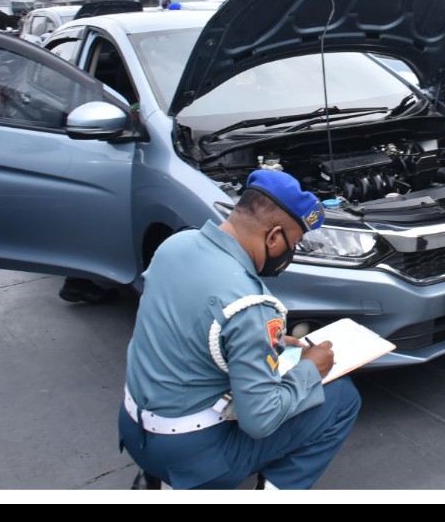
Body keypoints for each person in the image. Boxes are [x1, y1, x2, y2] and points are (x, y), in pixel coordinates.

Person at [118, 169, 361, 489]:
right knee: (342, 397)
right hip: (189, 455)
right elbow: (260, 420)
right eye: (294, 243)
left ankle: (157, 480)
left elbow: (184, 327)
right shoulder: (251, 306)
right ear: (274, 237)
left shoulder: (175, 244)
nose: (290, 254)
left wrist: (264, 342)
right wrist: (310, 370)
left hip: (134, 431)